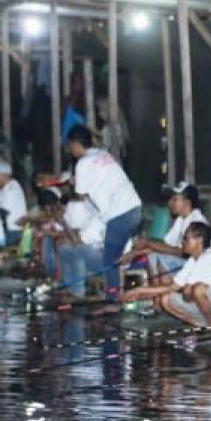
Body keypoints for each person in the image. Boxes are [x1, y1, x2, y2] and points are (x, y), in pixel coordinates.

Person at [67, 124, 142, 309]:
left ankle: (113, 300)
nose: (70, 149)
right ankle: (114, 294)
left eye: (70, 145)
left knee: (110, 258)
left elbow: (81, 195)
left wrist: (70, 187)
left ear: (77, 144)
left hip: (119, 213)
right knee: (114, 255)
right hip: (135, 207)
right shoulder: (102, 154)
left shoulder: (83, 163)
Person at [122, 222, 211, 327]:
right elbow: (172, 287)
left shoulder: (209, 258)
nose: (182, 242)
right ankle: (200, 325)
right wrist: (138, 291)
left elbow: (182, 290)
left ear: (199, 240)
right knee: (166, 299)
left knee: (197, 289)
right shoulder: (192, 261)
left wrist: (138, 291)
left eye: (186, 239)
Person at [121, 182, 209, 280]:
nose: (169, 202)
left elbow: (182, 252)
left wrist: (148, 244)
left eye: (175, 199)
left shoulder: (196, 221)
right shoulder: (181, 219)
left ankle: (160, 292)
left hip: (198, 267)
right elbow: (165, 246)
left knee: (155, 258)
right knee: (151, 257)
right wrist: (135, 253)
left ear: (187, 202)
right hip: (185, 262)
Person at [55, 192, 106, 299]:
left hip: (104, 258)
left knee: (79, 250)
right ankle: (69, 286)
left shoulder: (101, 219)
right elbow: (78, 233)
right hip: (92, 252)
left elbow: (79, 242)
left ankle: (78, 292)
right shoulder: (93, 216)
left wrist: (64, 223)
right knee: (64, 249)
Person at [0, 158, 28, 247]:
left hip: (13, 232)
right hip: (10, 230)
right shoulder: (5, 188)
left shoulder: (11, 190)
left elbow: (2, 214)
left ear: (4, 175)